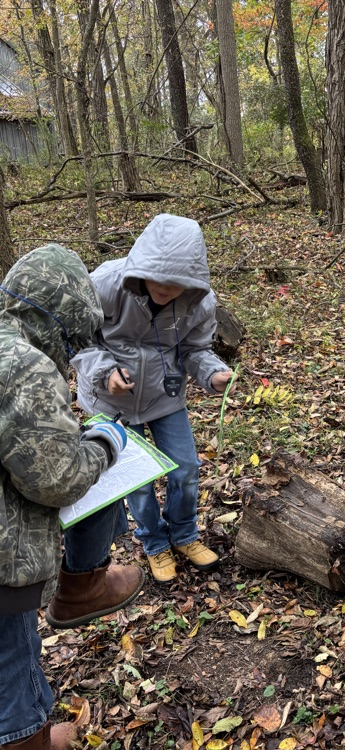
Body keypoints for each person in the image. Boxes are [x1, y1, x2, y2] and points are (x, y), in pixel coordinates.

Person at [0, 244, 141, 749]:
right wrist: (104, 443)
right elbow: (56, 479)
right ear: (59, 323)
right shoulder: (26, 366)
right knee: (11, 660)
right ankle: (25, 738)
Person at [71, 214, 235, 584]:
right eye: (158, 276)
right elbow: (77, 339)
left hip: (165, 396)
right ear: (142, 265)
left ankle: (184, 535)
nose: (165, 287)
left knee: (186, 468)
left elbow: (196, 349)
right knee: (138, 482)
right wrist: (105, 373)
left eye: (177, 281)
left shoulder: (199, 302)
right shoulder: (105, 284)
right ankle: (154, 543)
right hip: (110, 404)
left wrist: (212, 372)